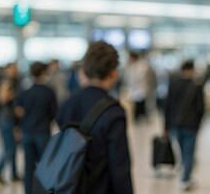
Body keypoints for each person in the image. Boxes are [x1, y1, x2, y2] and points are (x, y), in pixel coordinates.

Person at [56, 41, 133, 194]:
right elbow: (120, 168)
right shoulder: (114, 112)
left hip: (69, 186)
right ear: (113, 72)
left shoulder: (69, 102)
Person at [15, 61, 57, 194]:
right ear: (44, 72)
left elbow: (18, 111)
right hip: (43, 132)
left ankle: (28, 191)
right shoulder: (49, 92)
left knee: (28, 166)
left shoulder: (25, 91)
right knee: (44, 166)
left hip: (27, 132)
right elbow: (54, 113)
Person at [164, 60, 205, 191]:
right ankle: (185, 179)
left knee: (182, 151)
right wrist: (199, 124)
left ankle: (185, 175)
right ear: (191, 69)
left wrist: (166, 125)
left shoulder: (173, 83)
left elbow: (167, 106)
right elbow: (201, 108)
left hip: (175, 123)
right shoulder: (196, 85)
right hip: (191, 124)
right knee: (189, 152)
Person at [0, 62, 21, 184]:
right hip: (6, 118)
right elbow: (2, 98)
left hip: (9, 118)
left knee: (13, 146)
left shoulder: (12, 81)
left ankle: (14, 174)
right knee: (10, 148)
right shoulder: (7, 81)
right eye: (13, 69)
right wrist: (14, 94)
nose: (15, 71)